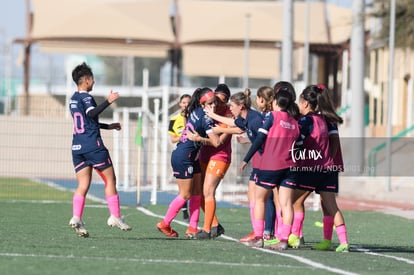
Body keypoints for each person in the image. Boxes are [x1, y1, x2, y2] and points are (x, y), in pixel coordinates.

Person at [68, 62, 131, 238]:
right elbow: (90, 114)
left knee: (83, 185)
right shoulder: (87, 97)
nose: (94, 82)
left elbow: (86, 123)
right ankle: (115, 216)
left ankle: (77, 217)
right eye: (93, 79)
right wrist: (108, 101)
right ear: (86, 80)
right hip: (93, 146)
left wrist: (107, 126)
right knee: (110, 179)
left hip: (77, 146)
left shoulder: (73, 99)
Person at [205, 87, 274, 243]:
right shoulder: (246, 118)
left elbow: (262, 140)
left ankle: (268, 233)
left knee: (266, 198)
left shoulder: (255, 119)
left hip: (268, 162)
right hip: (262, 160)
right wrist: (213, 117)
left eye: (232, 105)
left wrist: (245, 159)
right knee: (254, 196)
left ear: (241, 106)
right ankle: (259, 231)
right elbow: (233, 123)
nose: (230, 108)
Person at [290, 84, 349, 252]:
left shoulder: (310, 120)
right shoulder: (325, 119)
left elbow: (298, 141)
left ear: (305, 102)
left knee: (290, 200)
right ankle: (343, 242)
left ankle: (294, 235)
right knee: (330, 205)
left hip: (314, 168)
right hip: (327, 168)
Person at [156, 87, 221, 238]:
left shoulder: (196, 111)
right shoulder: (205, 118)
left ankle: (192, 228)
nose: (214, 106)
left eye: (215, 103)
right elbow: (216, 142)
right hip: (183, 157)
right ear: (203, 103)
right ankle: (165, 224)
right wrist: (201, 139)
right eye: (211, 103)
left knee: (197, 193)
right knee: (185, 195)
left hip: (193, 157)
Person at [241, 87, 300, 250]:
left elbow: (260, 138)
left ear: (275, 102)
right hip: (290, 167)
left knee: (259, 199)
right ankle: (283, 240)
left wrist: (246, 159)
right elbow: (299, 146)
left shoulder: (272, 116)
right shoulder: (295, 123)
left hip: (270, 165)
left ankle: (259, 237)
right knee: (286, 205)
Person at [187, 84, 232, 239]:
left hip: (220, 157)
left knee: (208, 192)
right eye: (215, 100)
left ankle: (206, 230)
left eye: (222, 101)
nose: (217, 104)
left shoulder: (228, 116)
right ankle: (215, 225)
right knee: (198, 193)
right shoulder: (206, 112)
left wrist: (199, 139)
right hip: (204, 155)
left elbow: (218, 142)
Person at [168, 94, 191, 221]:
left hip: (193, 153)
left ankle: (190, 210)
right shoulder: (174, 119)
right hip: (181, 154)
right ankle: (183, 209)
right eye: (183, 102)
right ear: (180, 104)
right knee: (183, 187)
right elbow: (172, 139)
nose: (185, 105)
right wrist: (182, 136)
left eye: (188, 102)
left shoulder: (194, 118)